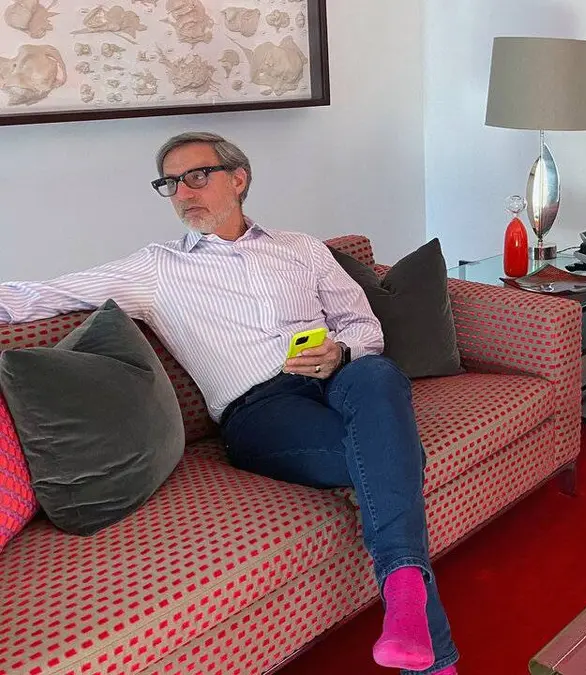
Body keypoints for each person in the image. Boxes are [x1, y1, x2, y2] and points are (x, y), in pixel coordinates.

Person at [0, 132, 458, 675]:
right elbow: (38, 294)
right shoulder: (154, 269)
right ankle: (412, 609)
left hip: (337, 377)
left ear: (238, 179)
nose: (183, 193)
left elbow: (363, 325)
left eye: (197, 176)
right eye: (170, 183)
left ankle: (409, 612)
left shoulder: (302, 249)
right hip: (260, 413)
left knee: (378, 374)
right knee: (395, 456)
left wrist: (340, 352)